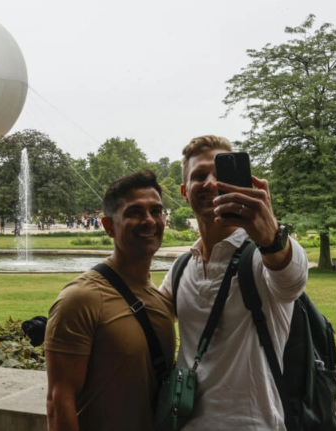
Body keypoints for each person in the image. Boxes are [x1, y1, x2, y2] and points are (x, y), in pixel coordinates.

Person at [159, 135, 308, 430]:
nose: (211, 183)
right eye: (199, 176)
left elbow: (291, 282)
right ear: (184, 192)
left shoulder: (263, 256)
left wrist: (271, 236)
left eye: (220, 174)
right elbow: (147, 318)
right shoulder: (182, 267)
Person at [45, 170, 176, 431]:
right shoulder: (81, 299)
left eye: (156, 211)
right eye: (135, 212)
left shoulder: (160, 299)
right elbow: (59, 402)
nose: (149, 220)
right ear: (108, 226)